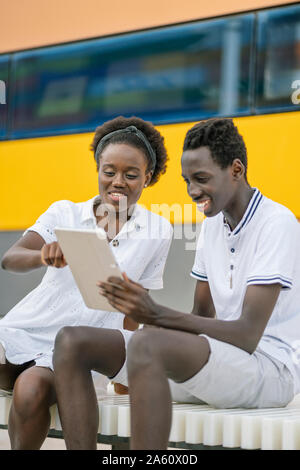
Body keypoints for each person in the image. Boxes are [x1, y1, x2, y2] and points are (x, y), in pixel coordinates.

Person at [95, 118, 300, 450]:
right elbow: (200, 313)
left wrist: (156, 315)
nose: (192, 192)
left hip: (271, 371)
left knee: (146, 346)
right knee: (84, 343)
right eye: (187, 181)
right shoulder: (213, 226)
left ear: (236, 170)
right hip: (227, 360)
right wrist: (145, 320)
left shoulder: (277, 223)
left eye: (201, 179)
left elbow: (248, 335)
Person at [0, 116, 172, 450]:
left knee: (31, 389)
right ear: (98, 169)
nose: (117, 182)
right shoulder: (64, 212)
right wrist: (43, 255)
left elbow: (135, 310)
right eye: (109, 171)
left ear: (147, 178)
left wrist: (125, 375)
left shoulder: (158, 231)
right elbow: (10, 258)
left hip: (72, 356)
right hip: (22, 329)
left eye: (131, 174)